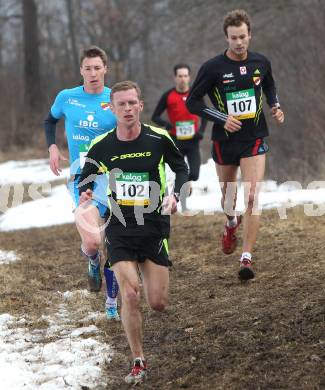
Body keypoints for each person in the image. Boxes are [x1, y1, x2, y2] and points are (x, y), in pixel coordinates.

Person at [78, 80, 188, 384]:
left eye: (132, 103)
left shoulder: (159, 138)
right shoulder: (102, 145)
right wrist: (86, 190)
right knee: (130, 293)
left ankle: (148, 272)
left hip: (154, 227)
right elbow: (84, 174)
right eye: (121, 104)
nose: (127, 109)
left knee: (158, 303)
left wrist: (175, 195)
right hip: (121, 229)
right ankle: (138, 358)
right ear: (112, 109)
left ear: (140, 105)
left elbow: (182, 168)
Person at [186, 9, 284, 280]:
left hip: (253, 138)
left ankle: (246, 258)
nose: (239, 42)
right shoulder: (212, 68)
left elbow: (270, 86)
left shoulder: (261, 62)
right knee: (229, 199)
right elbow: (192, 102)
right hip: (224, 141)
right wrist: (221, 117)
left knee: (252, 196)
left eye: (243, 36)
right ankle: (230, 221)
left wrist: (275, 106)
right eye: (234, 38)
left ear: (250, 35)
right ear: (226, 38)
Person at [44, 45, 120, 319]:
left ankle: (112, 302)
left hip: (113, 178)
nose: (92, 73)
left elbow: (131, 129)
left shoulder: (115, 98)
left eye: (97, 68)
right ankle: (91, 261)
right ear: (81, 70)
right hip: (82, 177)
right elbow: (49, 120)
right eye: (87, 68)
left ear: (105, 70)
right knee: (92, 243)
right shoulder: (67, 98)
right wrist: (52, 147)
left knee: (114, 241)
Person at [151, 64, 207, 212]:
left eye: (185, 76)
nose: (183, 79)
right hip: (175, 140)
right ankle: (178, 202)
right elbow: (155, 116)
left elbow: (205, 114)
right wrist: (167, 124)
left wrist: (201, 131)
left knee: (193, 174)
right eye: (180, 76)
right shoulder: (168, 95)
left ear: (189, 77)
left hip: (193, 140)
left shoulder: (195, 94)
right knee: (180, 170)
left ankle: (187, 183)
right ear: (175, 78)